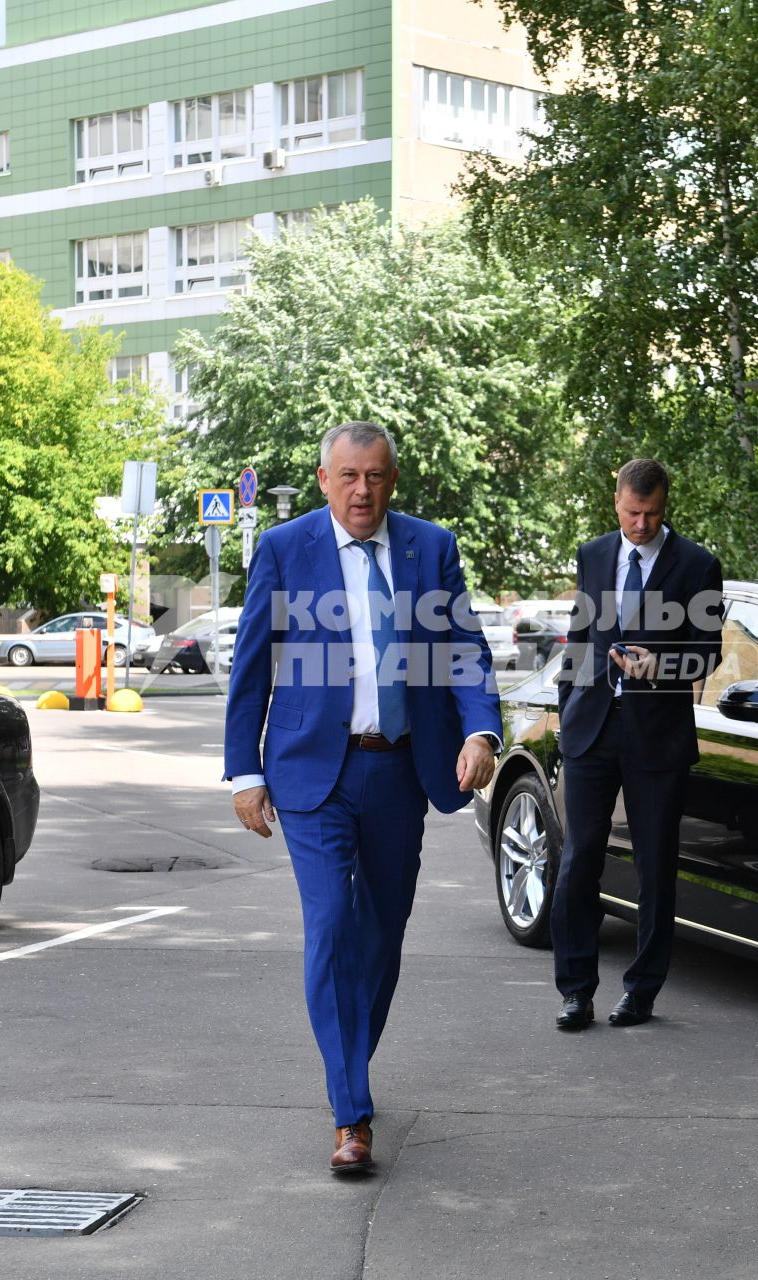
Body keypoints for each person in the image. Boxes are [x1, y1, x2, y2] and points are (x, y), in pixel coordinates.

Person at [224, 420, 502, 1176]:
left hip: (398, 772)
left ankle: (349, 1060)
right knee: (330, 929)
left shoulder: (430, 549)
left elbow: (466, 652)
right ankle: (352, 1111)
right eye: (348, 476)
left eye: (375, 476)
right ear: (324, 479)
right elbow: (251, 667)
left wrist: (481, 732)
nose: (362, 490)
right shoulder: (285, 550)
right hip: (312, 774)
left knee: (381, 936)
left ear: (394, 478)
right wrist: (243, 772)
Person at [550, 458, 723, 1031]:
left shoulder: (698, 565)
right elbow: (579, 637)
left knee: (655, 867)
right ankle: (575, 991)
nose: (640, 524)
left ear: (665, 504)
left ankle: (641, 991)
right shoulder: (594, 554)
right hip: (591, 727)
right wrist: (566, 702)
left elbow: (709, 653)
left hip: (657, 735)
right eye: (631, 513)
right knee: (578, 862)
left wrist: (663, 663)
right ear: (616, 501)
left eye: (650, 514)